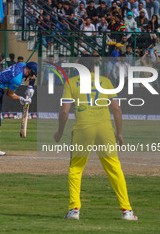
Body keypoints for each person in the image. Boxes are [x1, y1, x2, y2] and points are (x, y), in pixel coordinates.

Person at [53, 57, 138, 221]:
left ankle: (74, 210)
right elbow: (117, 109)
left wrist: (60, 132)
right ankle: (126, 211)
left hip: (83, 128)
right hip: (105, 129)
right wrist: (119, 133)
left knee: (76, 169)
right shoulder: (105, 81)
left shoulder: (71, 82)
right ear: (94, 66)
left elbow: (64, 111)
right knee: (114, 169)